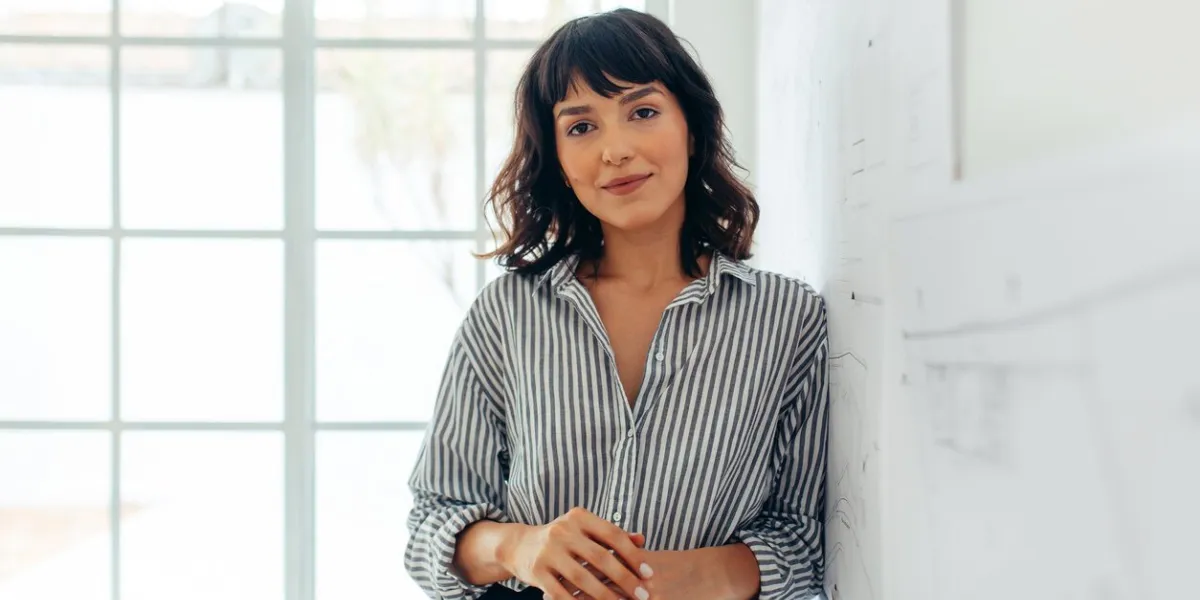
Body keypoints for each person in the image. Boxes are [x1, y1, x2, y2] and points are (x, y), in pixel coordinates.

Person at [404, 8, 829, 600]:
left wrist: (655, 583)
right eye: (581, 127)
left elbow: (805, 543)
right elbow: (430, 526)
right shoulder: (506, 315)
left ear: (693, 126)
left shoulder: (790, 320)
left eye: (643, 112)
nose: (616, 149)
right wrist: (520, 547)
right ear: (557, 158)